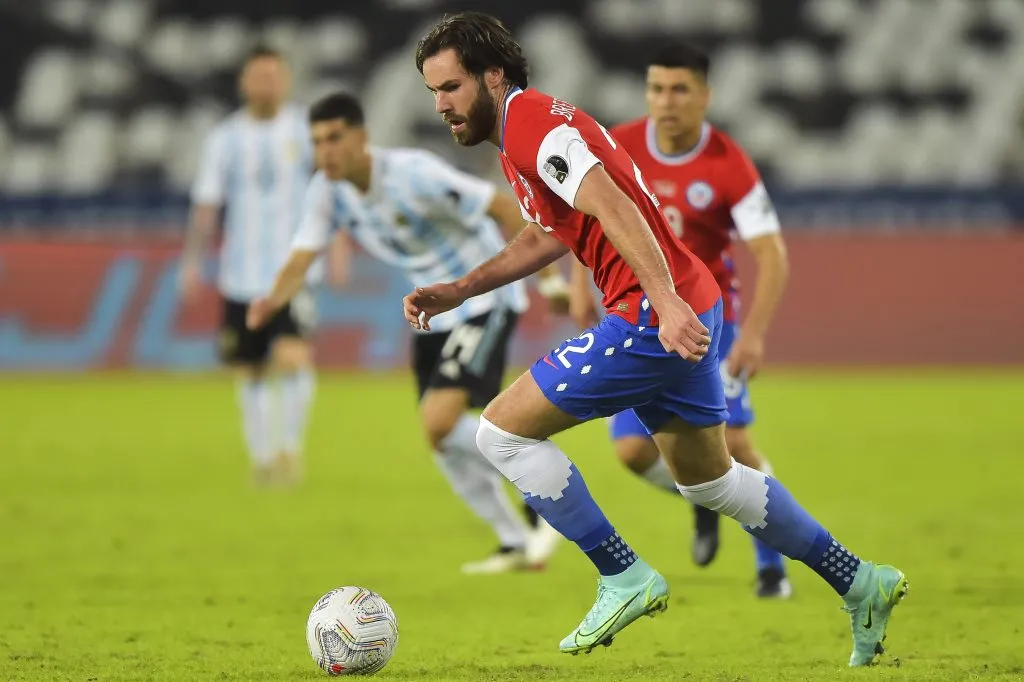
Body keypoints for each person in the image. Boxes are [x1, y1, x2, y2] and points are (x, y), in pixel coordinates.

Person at [406, 12, 908, 665]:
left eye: (450, 88)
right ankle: (861, 580)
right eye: (433, 93)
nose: (441, 105)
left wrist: (663, 303)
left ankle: (622, 575)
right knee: (711, 481)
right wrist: (463, 288)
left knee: (500, 432)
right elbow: (550, 232)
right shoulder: (519, 135)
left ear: (492, 76)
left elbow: (610, 204)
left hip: (652, 309)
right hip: (685, 299)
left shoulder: (530, 123)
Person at [247, 91, 566, 574]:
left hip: (482, 301)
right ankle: (515, 540)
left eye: (334, 138)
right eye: (316, 142)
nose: (326, 152)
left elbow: (502, 207)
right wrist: (270, 301)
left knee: (440, 420)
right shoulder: (326, 190)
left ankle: (540, 485)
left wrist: (550, 279)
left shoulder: (414, 174)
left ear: (361, 137)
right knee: (439, 436)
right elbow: (302, 254)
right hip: (433, 313)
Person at [567, 43, 792, 597]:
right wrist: (578, 288)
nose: (666, 102)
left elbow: (772, 254)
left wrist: (755, 336)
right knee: (631, 452)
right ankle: (705, 498)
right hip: (640, 319)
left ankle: (771, 565)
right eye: (657, 89)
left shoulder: (726, 162)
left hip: (712, 321)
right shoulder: (617, 144)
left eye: (680, 90)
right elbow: (585, 216)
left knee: (734, 442)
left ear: (705, 96)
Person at [180, 45, 329, 485]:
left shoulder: (306, 131)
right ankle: (262, 459)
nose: (267, 84)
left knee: (293, 356)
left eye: (274, 76)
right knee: (249, 369)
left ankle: (290, 452)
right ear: (244, 83)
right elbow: (207, 204)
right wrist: (192, 261)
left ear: (285, 80)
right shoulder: (224, 139)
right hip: (239, 275)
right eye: (258, 76)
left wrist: (336, 246)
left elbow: (330, 189)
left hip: (293, 271)